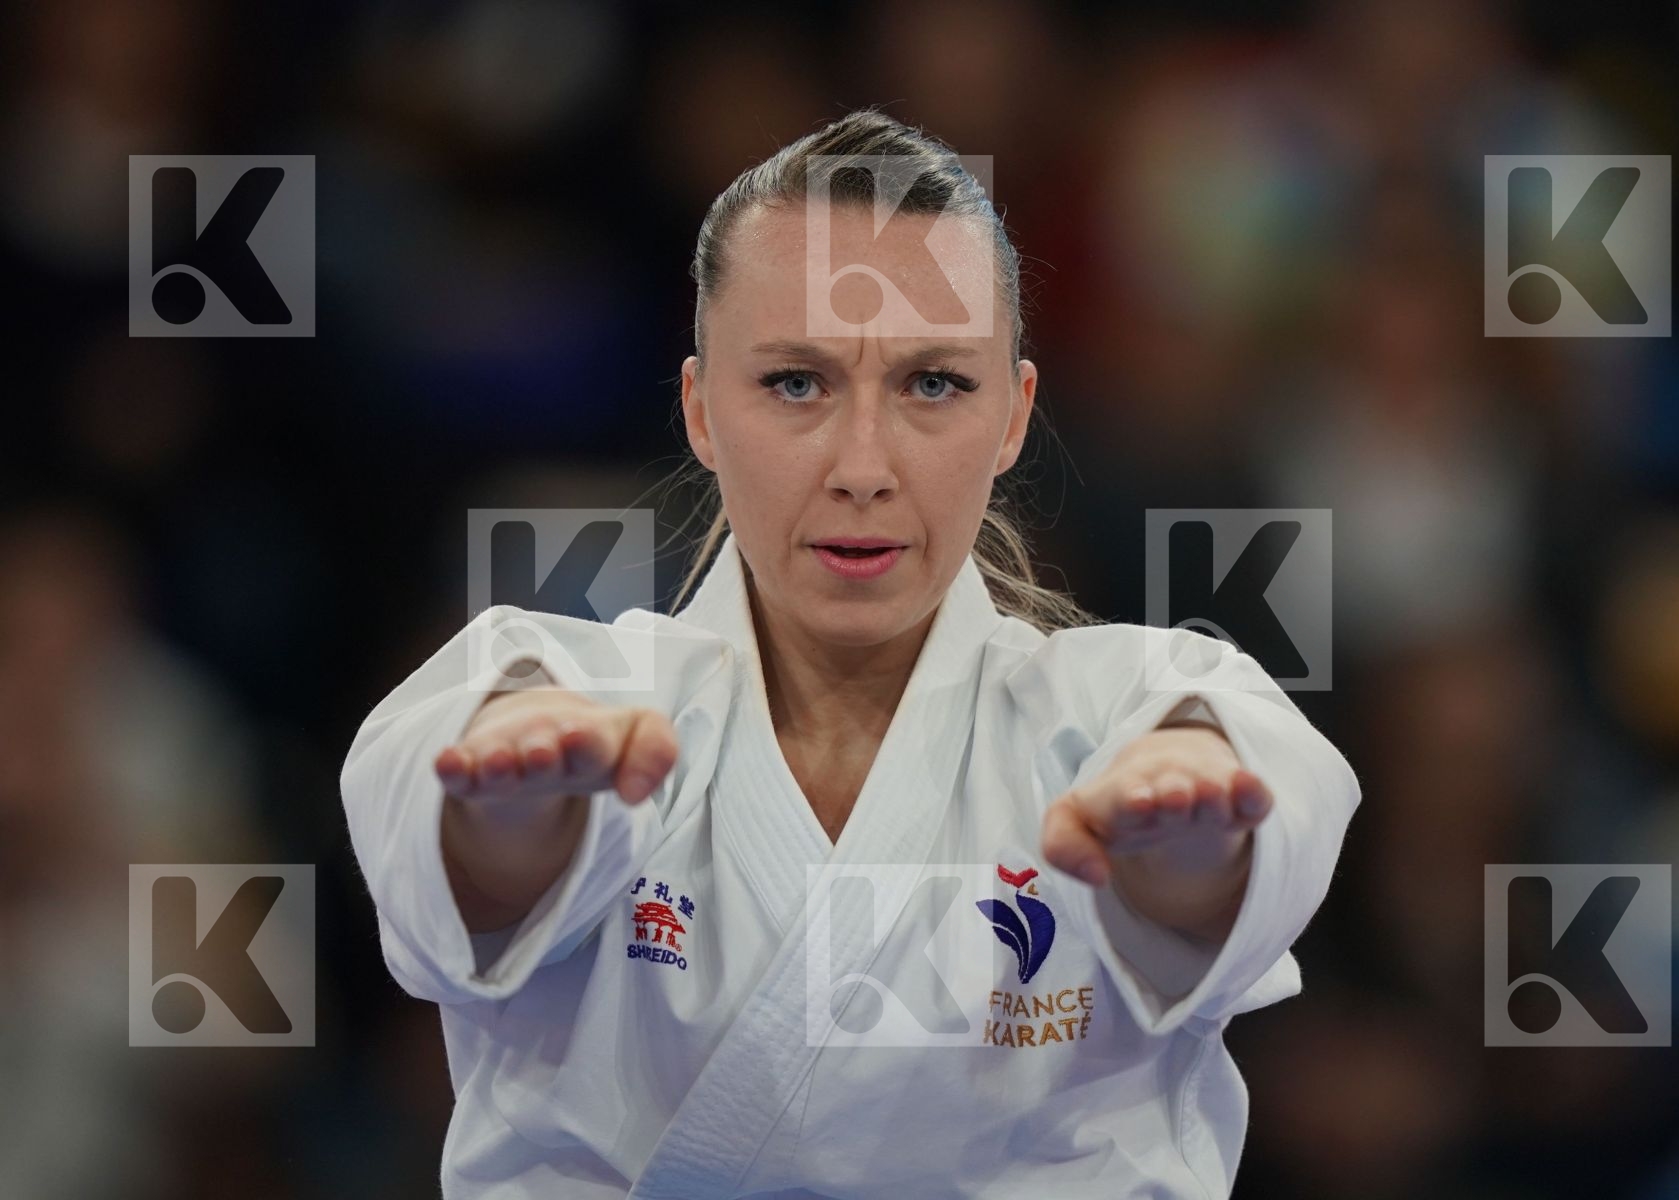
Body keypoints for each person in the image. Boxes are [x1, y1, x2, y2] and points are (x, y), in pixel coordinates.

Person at [340, 108, 1362, 1199]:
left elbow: (1256, 805)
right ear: (698, 409)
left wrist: (1188, 849)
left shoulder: (1137, 710)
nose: (863, 465)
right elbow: (449, 845)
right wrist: (511, 818)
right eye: (796, 383)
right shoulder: (562, 699)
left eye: (934, 384)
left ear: (1013, 415)